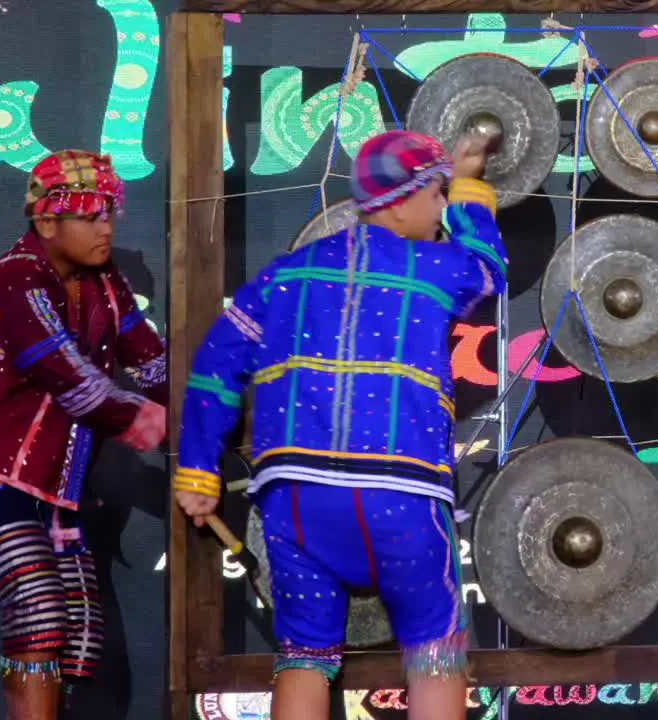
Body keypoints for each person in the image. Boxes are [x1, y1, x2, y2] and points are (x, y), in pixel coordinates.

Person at [173, 130, 507, 720]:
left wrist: (197, 472)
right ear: (404, 200)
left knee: (304, 655)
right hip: (400, 499)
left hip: (296, 504)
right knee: (435, 655)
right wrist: (472, 184)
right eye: (438, 196)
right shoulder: (432, 265)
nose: (442, 211)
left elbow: (215, 364)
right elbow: (486, 271)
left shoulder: (286, 274)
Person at [0, 149, 168, 719]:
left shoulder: (106, 283)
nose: (106, 225)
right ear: (47, 221)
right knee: (38, 615)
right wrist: (139, 416)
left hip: (57, 492)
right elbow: (65, 373)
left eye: (109, 211)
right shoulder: (12, 278)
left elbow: (151, 360)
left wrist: (200, 410)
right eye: (90, 214)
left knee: (80, 641)